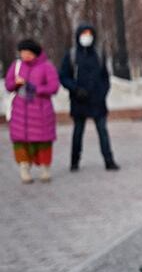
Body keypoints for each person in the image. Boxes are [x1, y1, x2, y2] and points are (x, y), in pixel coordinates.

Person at [59, 24, 119, 171]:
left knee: (102, 131)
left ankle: (109, 160)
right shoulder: (72, 55)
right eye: (83, 34)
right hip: (79, 100)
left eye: (89, 33)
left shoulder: (98, 54)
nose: (87, 37)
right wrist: (75, 89)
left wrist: (103, 92)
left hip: (97, 100)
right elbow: (63, 76)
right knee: (78, 132)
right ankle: (74, 161)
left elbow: (105, 77)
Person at [5, 39, 60, 183]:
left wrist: (36, 88)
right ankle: (24, 168)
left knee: (43, 141)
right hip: (20, 112)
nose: (25, 56)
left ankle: (44, 168)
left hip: (41, 111)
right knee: (20, 141)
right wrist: (15, 83)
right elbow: (8, 85)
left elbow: (54, 87)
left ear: (35, 54)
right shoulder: (16, 66)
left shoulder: (46, 67)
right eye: (23, 53)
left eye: (28, 53)